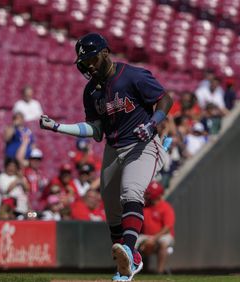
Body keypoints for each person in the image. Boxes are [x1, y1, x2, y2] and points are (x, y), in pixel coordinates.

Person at [39, 33, 172, 281]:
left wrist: (153, 124)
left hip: (141, 144)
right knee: (112, 213)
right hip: (113, 148)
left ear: (105, 53)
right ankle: (127, 264)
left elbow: (165, 99)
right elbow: (96, 130)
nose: (88, 65)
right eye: (84, 62)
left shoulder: (133, 75)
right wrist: (59, 127)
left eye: (91, 59)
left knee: (131, 193)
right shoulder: (91, 91)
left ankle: (130, 255)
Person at [136, 181, 175, 274]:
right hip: (146, 236)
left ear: (155, 194)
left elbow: (168, 228)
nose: (147, 195)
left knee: (164, 243)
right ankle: (129, 270)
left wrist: (154, 239)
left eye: (149, 193)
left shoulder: (165, 207)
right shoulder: (144, 206)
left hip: (162, 236)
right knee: (131, 242)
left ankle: (159, 272)